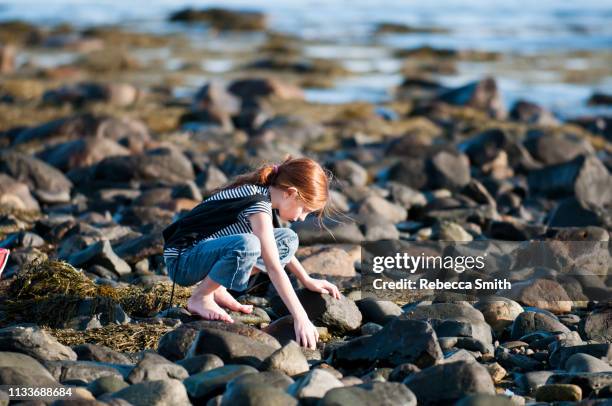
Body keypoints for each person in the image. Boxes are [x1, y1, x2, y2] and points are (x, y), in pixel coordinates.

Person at [163, 156, 340, 349]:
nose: (303, 217)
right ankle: (200, 297)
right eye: (305, 209)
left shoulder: (263, 196)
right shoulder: (258, 205)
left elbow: (273, 248)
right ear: (290, 193)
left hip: (202, 253)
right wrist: (301, 317)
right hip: (182, 260)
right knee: (249, 243)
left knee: (288, 239)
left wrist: (306, 280)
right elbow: (274, 268)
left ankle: (217, 287)